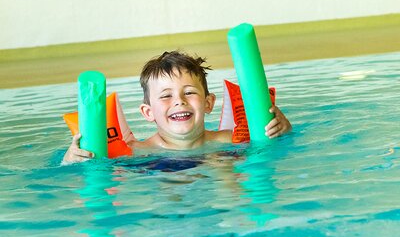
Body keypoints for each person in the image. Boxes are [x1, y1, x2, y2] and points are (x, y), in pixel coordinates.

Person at [63, 50, 292, 163]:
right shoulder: (136, 152)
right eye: (165, 96)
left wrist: (283, 129)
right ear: (148, 112)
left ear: (208, 103)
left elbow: (279, 148)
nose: (179, 101)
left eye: (189, 92)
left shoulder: (230, 140)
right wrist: (70, 159)